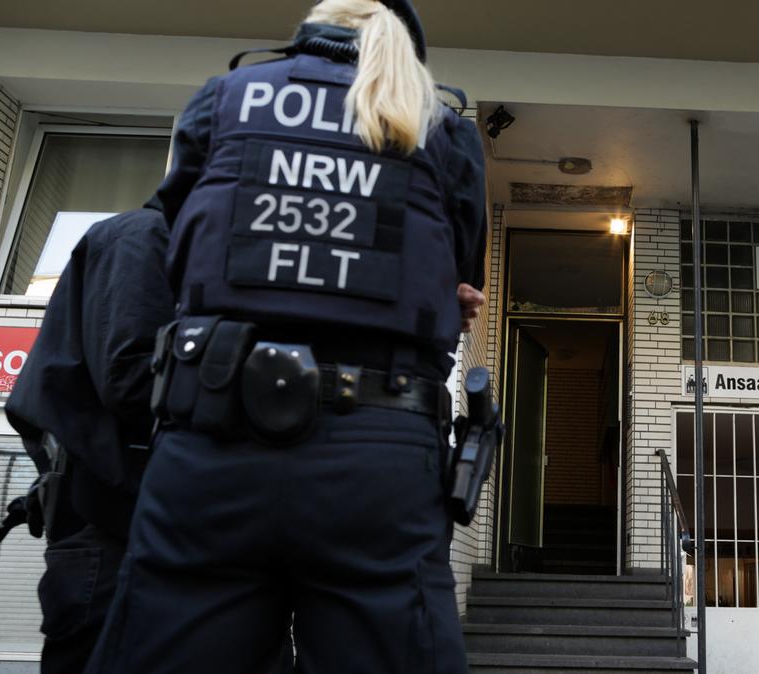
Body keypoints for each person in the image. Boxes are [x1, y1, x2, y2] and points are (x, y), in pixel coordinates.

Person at [85, 0, 487, 671]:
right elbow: (460, 269)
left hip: (214, 436)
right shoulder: (439, 127)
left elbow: (173, 237)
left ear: (312, 27)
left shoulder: (226, 97)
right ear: (408, 51)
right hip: (379, 453)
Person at [0, 202, 174, 674]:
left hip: (121, 525)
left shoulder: (151, 237)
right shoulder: (146, 235)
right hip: (113, 527)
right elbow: (130, 378)